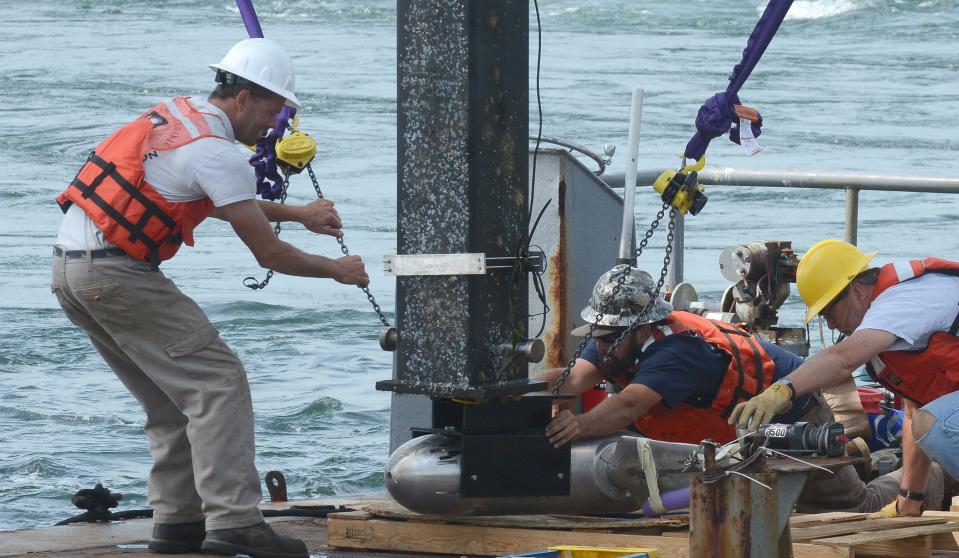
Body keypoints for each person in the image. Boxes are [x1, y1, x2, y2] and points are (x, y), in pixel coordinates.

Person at [51, 38, 368, 558]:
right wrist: (336, 270)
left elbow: (210, 198)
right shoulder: (219, 152)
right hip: (119, 275)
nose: (273, 127)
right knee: (218, 382)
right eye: (270, 112)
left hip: (72, 271)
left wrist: (300, 214)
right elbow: (270, 256)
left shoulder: (177, 118)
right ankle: (234, 522)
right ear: (243, 97)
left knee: (170, 399)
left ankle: (177, 523)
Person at [543, 264, 943, 513]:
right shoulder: (615, 344)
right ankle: (874, 461)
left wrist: (578, 425)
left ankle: (932, 475)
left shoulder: (675, 352)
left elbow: (629, 405)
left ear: (642, 329)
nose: (600, 345)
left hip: (793, 417)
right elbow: (574, 377)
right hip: (735, 432)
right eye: (598, 334)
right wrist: (513, 388)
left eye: (610, 335)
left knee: (857, 508)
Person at [730, 239, 959, 518]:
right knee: (927, 419)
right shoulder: (894, 333)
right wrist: (908, 500)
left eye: (829, 312)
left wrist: (783, 389)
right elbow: (913, 413)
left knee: (935, 423)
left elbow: (843, 359)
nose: (831, 324)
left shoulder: (904, 302)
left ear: (858, 290)